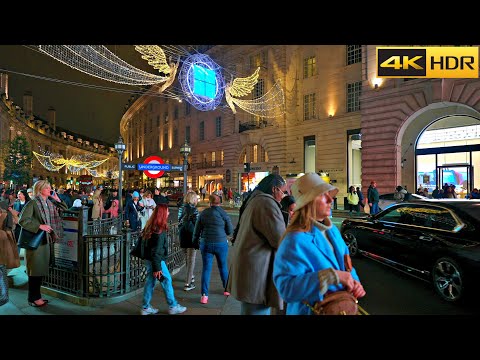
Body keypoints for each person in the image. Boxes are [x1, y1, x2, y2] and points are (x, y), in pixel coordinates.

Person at [273, 173, 366, 315]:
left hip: (343, 307)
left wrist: (355, 282)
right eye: (323, 195)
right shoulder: (293, 240)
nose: (330, 199)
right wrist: (330, 277)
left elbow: (346, 265)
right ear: (308, 203)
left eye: (329, 194)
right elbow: (286, 289)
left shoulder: (333, 231)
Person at [226, 174, 287, 315]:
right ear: (274, 189)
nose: (282, 196)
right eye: (282, 192)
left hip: (251, 270)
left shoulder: (255, 200)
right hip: (257, 273)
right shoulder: (266, 203)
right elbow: (280, 240)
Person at [18, 180, 67, 307]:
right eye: (46, 187)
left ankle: (36, 297)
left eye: (49, 186)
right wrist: (40, 226)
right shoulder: (34, 203)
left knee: (39, 270)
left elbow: (65, 210)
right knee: (35, 271)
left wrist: (57, 199)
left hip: (45, 240)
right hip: (36, 242)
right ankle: (33, 298)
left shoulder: (49, 202)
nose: (50, 188)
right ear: (40, 190)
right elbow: (23, 220)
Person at [140, 203, 187, 315]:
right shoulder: (159, 231)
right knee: (166, 280)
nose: (169, 213)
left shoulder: (150, 225)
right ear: (162, 214)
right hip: (156, 261)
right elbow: (156, 252)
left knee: (150, 282)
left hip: (150, 259)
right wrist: (157, 268)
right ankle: (173, 305)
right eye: (167, 211)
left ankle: (145, 307)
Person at [193, 194, 233, 304]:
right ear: (219, 203)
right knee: (223, 266)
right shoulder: (223, 213)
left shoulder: (203, 213)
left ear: (209, 203)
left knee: (206, 269)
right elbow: (229, 230)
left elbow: (197, 231)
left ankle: (204, 296)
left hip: (206, 243)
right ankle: (226, 289)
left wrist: (195, 242)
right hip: (221, 243)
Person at [178, 191, 200, 291]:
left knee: (187, 258)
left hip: (182, 235)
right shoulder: (194, 210)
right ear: (193, 199)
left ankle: (190, 276)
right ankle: (188, 283)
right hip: (191, 236)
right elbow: (198, 224)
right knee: (191, 259)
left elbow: (179, 221)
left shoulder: (181, 208)